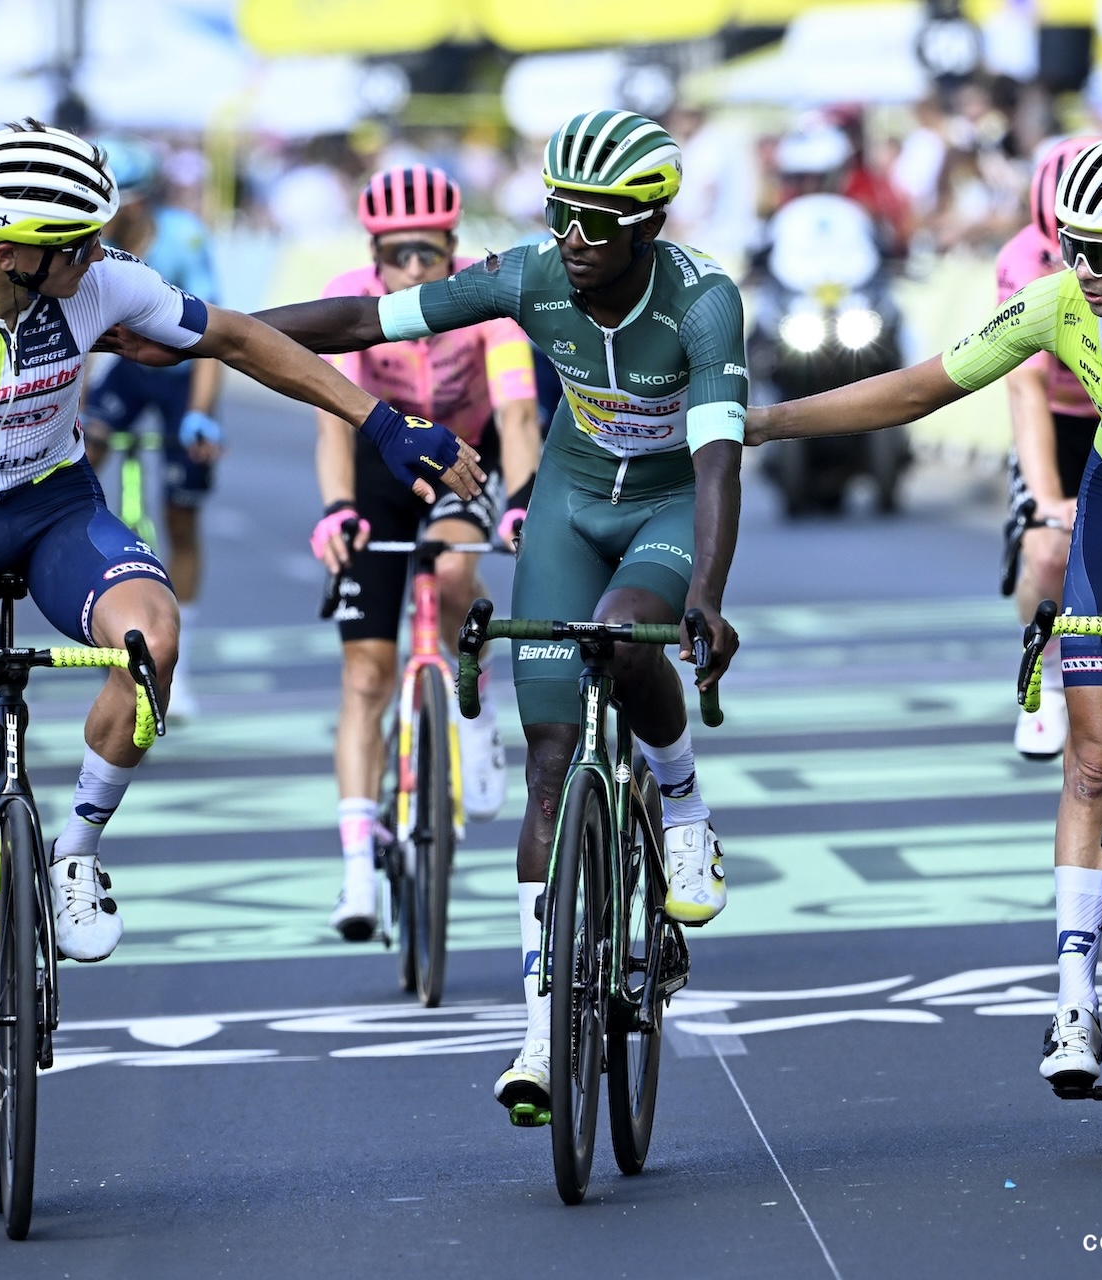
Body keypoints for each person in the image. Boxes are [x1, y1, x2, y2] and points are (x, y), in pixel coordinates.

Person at [0, 119, 482, 1158]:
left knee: (151, 636)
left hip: (58, 511)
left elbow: (238, 337)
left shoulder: (96, 285)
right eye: (83, 242)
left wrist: (382, 423)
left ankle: (73, 853)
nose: (103, 255)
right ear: (16, 247)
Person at [744, 136, 1102, 1095]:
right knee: (1090, 757)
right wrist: (770, 420)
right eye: (1071, 246)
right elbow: (921, 388)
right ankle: (1076, 998)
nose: (1081, 269)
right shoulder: (1057, 299)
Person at [223, 110, 745, 1120]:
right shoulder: (531, 273)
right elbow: (370, 321)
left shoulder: (705, 300)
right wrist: (213, 327)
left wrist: (709, 596)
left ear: (647, 225)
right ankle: (543, 1029)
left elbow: (719, 459)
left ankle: (681, 802)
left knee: (627, 627)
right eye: (560, 214)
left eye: (595, 222)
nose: (573, 239)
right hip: (570, 497)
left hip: (670, 504)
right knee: (550, 751)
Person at [311, 165, 542, 940]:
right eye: (398, 254)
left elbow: (515, 413)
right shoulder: (351, 294)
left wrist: (519, 501)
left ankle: (470, 717)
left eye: (428, 254)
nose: (413, 270)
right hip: (378, 470)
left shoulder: (484, 296)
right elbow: (331, 423)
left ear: (452, 246)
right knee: (366, 674)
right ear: (375, 253)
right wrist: (338, 511)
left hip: (460, 459)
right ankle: (354, 871)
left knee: (450, 568)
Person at [82, 138, 228, 707]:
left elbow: (216, 335)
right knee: (85, 452)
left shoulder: (183, 238)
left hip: (182, 370)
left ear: (136, 204)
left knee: (181, 515)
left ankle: (180, 670)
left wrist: (199, 414)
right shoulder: (88, 248)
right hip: (126, 369)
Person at [1000, 137, 1097, 760]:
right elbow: (1025, 382)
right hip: (1057, 415)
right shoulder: (1022, 259)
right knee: (1049, 553)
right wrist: (1045, 500)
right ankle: (1055, 680)